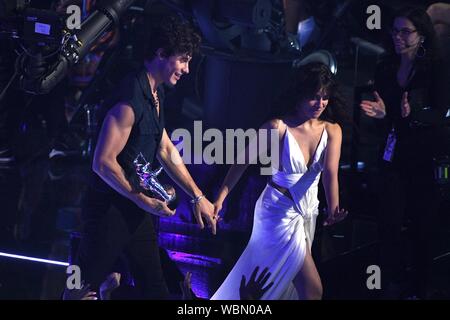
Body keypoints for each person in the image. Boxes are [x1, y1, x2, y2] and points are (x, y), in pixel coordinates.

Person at [75, 16, 217, 300]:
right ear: (162, 54)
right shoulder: (130, 100)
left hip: (135, 210)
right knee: (80, 291)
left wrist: (198, 197)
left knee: (156, 290)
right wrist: (142, 199)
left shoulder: (156, 92)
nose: (187, 69)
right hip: (108, 212)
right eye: (183, 60)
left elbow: (165, 149)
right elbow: (103, 162)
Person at [211, 63, 348, 300]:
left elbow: (330, 173)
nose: (320, 104)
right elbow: (241, 163)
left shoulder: (332, 130)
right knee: (313, 290)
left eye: (325, 97)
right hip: (277, 214)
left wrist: (333, 209)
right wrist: (219, 200)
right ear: (299, 95)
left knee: (274, 288)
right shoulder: (277, 127)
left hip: (308, 213)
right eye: (314, 97)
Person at [360, 6, 449, 299]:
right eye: (395, 31)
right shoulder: (386, 67)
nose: (398, 37)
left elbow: (440, 114)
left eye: (405, 31)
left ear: (421, 36)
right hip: (393, 157)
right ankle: (392, 283)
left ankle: (420, 288)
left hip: (423, 157)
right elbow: (387, 116)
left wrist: (413, 115)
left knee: (422, 226)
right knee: (389, 222)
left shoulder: (436, 68)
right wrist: (384, 115)